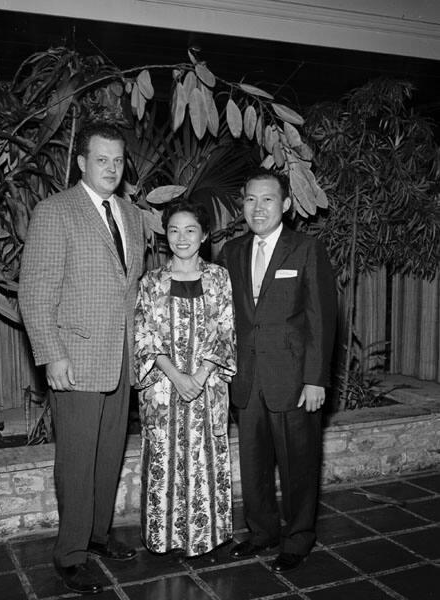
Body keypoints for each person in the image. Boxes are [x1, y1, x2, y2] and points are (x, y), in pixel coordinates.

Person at [19, 121, 146, 594]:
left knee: (108, 455)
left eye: (118, 161)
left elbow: (129, 288)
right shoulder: (56, 212)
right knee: (76, 459)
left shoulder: (131, 215)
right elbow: (34, 291)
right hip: (74, 358)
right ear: (81, 163)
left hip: (121, 358)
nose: (111, 169)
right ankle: (70, 554)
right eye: (102, 160)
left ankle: (97, 535)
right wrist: (52, 355)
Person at [219, 168, 337, 572]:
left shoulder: (306, 249)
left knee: (298, 463)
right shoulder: (231, 252)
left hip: (293, 378)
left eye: (267, 199)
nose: (258, 207)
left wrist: (315, 379)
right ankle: (262, 531)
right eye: (251, 199)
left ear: (285, 205)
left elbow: (321, 319)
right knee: (253, 465)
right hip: (246, 378)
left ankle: (298, 537)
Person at [133, 199, 236, 558]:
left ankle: (205, 535)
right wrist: (177, 377)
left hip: (208, 389)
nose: (181, 237)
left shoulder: (219, 278)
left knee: (204, 456)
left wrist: (201, 374)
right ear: (165, 235)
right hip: (162, 389)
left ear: (204, 235)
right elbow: (144, 335)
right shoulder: (151, 282)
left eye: (190, 230)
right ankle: (164, 537)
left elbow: (226, 331)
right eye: (174, 230)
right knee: (164, 455)